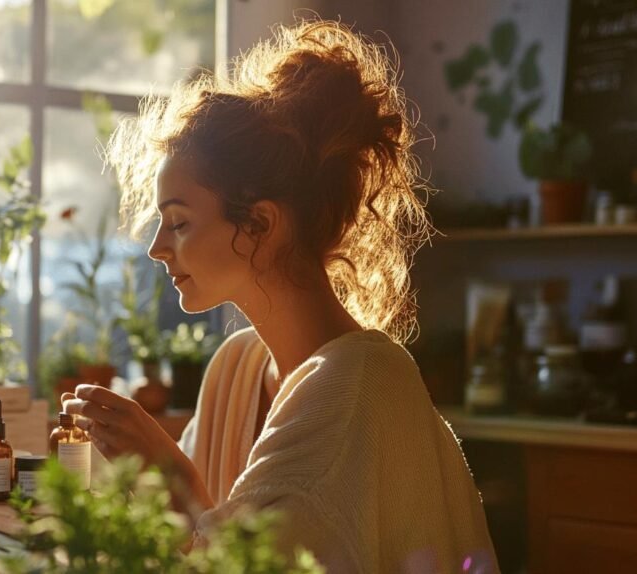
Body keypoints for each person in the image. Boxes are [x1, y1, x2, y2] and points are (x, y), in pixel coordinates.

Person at [62, 19, 498, 573]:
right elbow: (177, 549)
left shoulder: (363, 382)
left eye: (178, 222)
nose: (156, 249)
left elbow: (229, 558)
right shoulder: (234, 371)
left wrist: (167, 474)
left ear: (261, 226)